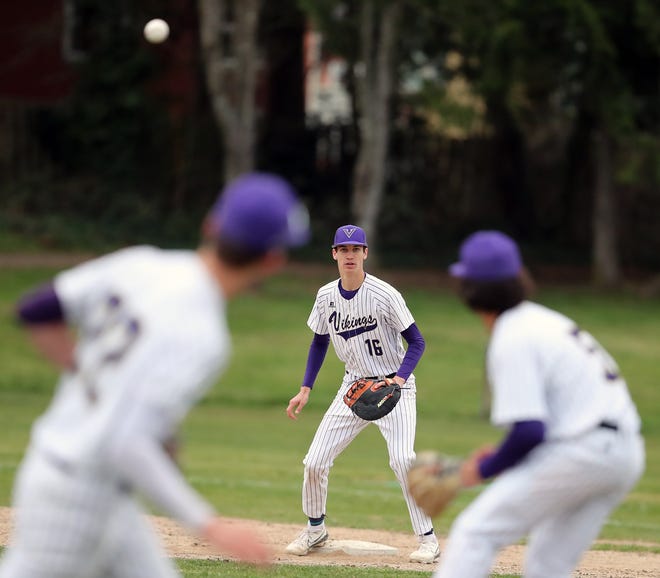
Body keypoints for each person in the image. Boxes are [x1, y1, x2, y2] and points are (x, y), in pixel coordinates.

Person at [0, 173, 310, 578]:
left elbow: (36, 309)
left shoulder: (141, 263)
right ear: (274, 259)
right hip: (76, 496)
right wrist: (211, 525)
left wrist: (92, 380)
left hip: (92, 488)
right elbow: (126, 444)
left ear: (210, 225)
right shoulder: (203, 334)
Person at [433, 230, 645, 578]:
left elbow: (529, 431)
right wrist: (502, 458)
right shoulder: (543, 321)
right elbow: (541, 428)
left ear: (469, 290)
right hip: (623, 454)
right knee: (548, 564)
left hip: (584, 452)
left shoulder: (512, 336)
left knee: (476, 532)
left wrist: (481, 471)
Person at [285, 225, 441, 564]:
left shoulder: (385, 294)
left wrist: (398, 380)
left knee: (402, 460)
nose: (350, 255)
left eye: (357, 249)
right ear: (334, 254)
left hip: (394, 386)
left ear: (366, 254)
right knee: (314, 461)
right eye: (344, 249)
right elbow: (319, 341)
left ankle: (428, 539)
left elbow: (417, 342)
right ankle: (315, 529)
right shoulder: (326, 296)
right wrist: (305, 388)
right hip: (353, 387)